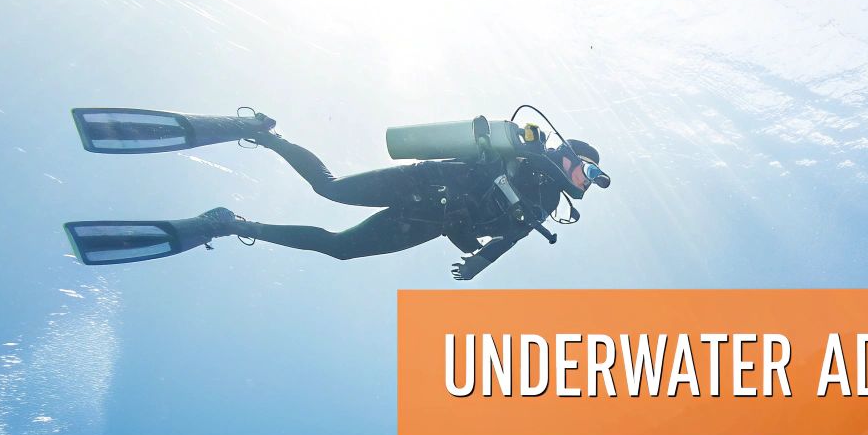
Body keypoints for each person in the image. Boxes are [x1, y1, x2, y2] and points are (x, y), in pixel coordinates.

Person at [188, 120, 602, 280]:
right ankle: (265, 134)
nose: (588, 181)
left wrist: (480, 263)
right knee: (329, 188)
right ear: (569, 155)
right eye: (589, 170)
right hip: (426, 182)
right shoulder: (527, 151)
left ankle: (234, 224)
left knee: (340, 249)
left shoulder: (547, 205)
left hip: (428, 223)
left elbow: (510, 237)